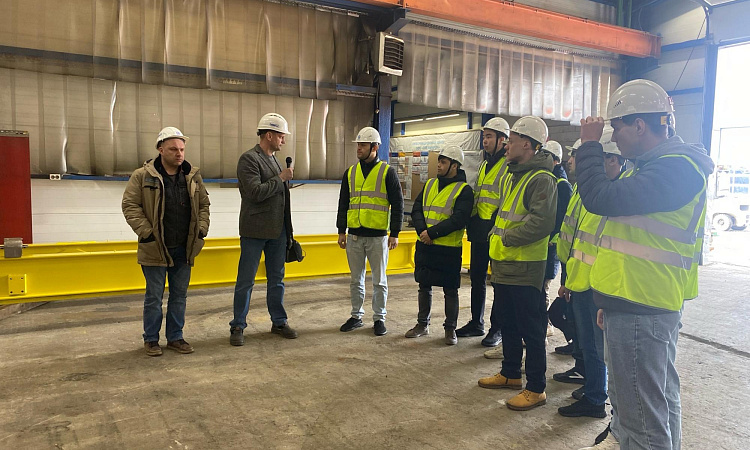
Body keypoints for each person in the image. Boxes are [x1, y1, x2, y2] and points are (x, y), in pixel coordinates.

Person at [575, 79, 714, 450]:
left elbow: (599, 197)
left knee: (640, 419)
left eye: (616, 127)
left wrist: (589, 145)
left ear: (639, 125)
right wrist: (609, 300)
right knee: (657, 404)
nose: (613, 137)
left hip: (644, 305)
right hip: (634, 300)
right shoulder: (653, 168)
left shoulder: (677, 169)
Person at [477, 116, 557, 411]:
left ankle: (536, 388)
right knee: (508, 323)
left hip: (525, 267)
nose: (506, 145)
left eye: (511, 141)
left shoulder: (541, 179)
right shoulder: (515, 175)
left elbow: (541, 223)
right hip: (505, 264)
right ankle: (511, 373)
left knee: (531, 330)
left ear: (528, 144)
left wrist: (508, 238)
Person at [122, 127, 210, 357]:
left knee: (179, 296)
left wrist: (201, 230)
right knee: (154, 297)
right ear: (160, 150)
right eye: (173, 149)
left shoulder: (192, 176)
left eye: (182, 149)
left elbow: (203, 205)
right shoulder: (142, 176)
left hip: (184, 247)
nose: (179, 153)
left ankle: (175, 337)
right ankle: (151, 340)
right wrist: (146, 232)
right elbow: (130, 206)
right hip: (155, 247)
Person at [557, 128, 625, 419]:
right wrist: (568, 281)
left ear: (614, 160)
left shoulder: (616, 198)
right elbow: (576, 241)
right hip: (580, 280)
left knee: (597, 348)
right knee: (587, 344)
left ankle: (596, 399)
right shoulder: (589, 192)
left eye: (598, 159)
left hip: (597, 286)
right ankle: (592, 388)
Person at [229, 113, 298, 346]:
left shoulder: (275, 160)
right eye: (281, 136)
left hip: (278, 231)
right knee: (246, 280)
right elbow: (254, 192)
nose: (283, 140)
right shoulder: (249, 159)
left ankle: (279, 321)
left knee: (277, 279)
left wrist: (288, 231)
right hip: (254, 231)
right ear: (269, 135)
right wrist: (281, 178)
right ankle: (238, 325)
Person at [336, 126, 404, 336]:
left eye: (363, 145)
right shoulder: (350, 173)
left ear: (374, 147)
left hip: (377, 237)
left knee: (379, 281)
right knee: (355, 279)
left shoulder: (387, 172)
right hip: (355, 236)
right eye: (358, 145)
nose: (359, 148)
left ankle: (379, 318)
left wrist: (395, 233)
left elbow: (398, 204)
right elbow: (343, 203)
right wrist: (341, 230)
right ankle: (356, 316)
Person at [405, 145, 473, 345]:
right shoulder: (430, 184)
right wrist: (422, 232)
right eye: (439, 162)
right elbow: (417, 209)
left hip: (448, 249)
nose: (439, 165)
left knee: (450, 290)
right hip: (426, 245)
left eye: (443, 162)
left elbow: (459, 219)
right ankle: (422, 324)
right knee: (424, 286)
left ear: (454, 166)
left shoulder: (464, 190)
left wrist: (431, 233)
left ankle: (450, 329)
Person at [456, 117, 510, 346]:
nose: (485, 141)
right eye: (484, 136)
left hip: (496, 231)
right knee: (477, 278)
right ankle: (476, 323)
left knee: (497, 282)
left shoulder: (507, 165)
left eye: (489, 136)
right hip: (479, 230)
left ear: (502, 139)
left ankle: (497, 329)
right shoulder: (484, 164)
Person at [541, 140, 573, 335]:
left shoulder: (562, 186)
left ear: (555, 161)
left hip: (551, 247)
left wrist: (552, 240)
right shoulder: (549, 181)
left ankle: (545, 326)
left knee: (543, 287)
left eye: (545, 157)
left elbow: (564, 220)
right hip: (543, 245)